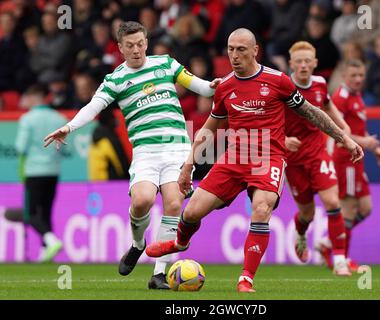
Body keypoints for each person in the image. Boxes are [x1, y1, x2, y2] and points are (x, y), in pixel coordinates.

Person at [145, 28, 363, 292]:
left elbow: (311, 112)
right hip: (235, 158)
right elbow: (210, 127)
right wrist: (189, 163)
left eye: (241, 49)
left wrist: (345, 138)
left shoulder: (278, 81)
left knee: (261, 210)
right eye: (230, 49)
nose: (234, 56)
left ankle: (246, 277)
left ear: (255, 50)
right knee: (191, 212)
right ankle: (180, 243)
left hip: (267, 158)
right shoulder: (225, 86)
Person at [44, 21, 220, 290]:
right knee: (142, 201)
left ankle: (159, 274)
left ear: (146, 42)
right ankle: (138, 244)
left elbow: (203, 88)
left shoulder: (166, 64)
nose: (136, 50)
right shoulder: (115, 80)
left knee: (174, 204)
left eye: (140, 44)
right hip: (146, 152)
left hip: (176, 149)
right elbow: (93, 107)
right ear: (120, 48)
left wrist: (216, 85)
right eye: (130, 46)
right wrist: (69, 126)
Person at [283, 41, 352, 275]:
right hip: (292, 159)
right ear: (291, 64)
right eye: (298, 61)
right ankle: (301, 233)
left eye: (307, 61)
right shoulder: (282, 87)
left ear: (315, 63)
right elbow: (268, 119)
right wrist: (282, 139)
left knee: (333, 203)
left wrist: (342, 128)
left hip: (317, 152)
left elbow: (328, 106)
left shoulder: (321, 84)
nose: (303, 66)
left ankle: (340, 259)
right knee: (307, 213)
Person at [318, 59, 380, 269]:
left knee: (366, 208)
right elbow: (338, 133)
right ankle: (343, 258)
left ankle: (329, 242)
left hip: (357, 160)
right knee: (348, 209)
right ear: (344, 76)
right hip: (344, 159)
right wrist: (364, 142)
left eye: (361, 76)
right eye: (354, 76)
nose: (358, 79)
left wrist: (375, 149)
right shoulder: (340, 99)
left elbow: (358, 129)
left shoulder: (357, 97)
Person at [15, 84, 67, 262]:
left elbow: (20, 147)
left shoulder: (27, 119)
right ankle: (46, 251)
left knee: (30, 214)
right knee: (46, 212)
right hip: (53, 171)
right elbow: (66, 148)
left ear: (33, 97)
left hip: (34, 171)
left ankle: (50, 241)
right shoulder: (59, 117)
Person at [88, 106, 130, 181]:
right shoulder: (109, 139)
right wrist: (128, 177)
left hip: (96, 180)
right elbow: (120, 163)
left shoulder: (97, 136)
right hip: (110, 182)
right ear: (110, 120)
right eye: (114, 119)